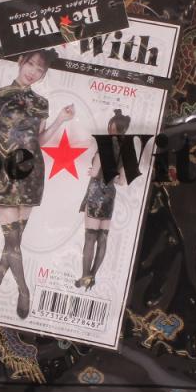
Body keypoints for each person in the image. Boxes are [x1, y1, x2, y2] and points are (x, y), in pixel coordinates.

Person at [0, 49, 74, 318]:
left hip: (31, 172)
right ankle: (24, 290)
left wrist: (60, 120)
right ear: (20, 61)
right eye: (31, 64)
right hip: (3, 172)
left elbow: (41, 140)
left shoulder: (42, 103)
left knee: (14, 239)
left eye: (40, 69)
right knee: (12, 239)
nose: (33, 72)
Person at [75, 108, 131, 290]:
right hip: (109, 195)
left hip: (96, 192)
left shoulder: (104, 145)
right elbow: (122, 181)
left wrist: (94, 171)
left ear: (111, 127)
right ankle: (92, 276)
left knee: (90, 237)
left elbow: (96, 171)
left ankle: (85, 277)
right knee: (103, 238)